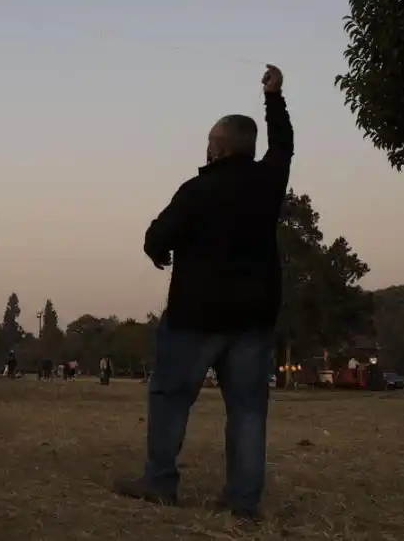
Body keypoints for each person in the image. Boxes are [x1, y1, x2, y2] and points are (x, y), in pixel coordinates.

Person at [113, 65, 293, 522]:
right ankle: (243, 499)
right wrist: (275, 97)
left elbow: (158, 235)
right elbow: (283, 144)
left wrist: (158, 251)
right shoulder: (269, 183)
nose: (207, 144)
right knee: (249, 410)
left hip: (196, 316)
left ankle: (159, 481)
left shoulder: (197, 190)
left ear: (221, 147)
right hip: (253, 319)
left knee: (171, 398)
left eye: (212, 139)